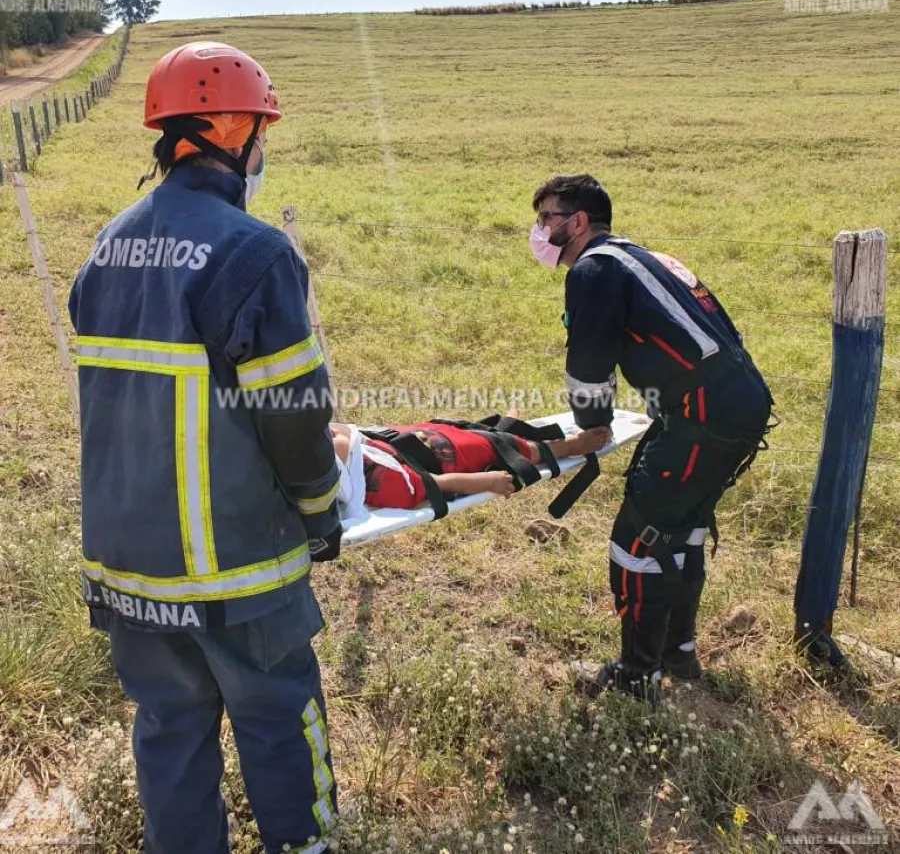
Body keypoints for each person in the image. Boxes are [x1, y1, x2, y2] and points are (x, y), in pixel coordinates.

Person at [68, 42, 341, 854]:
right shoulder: (253, 252)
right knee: (278, 717)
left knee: (170, 725)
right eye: (262, 131)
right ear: (229, 128)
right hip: (238, 567)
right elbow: (295, 413)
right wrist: (321, 510)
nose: (265, 149)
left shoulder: (106, 246)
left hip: (128, 561)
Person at [529, 174, 773, 704]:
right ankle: (678, 654)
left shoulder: (593, 271)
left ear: (578, 222)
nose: (539, 228)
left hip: (700, 416)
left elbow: (589, 363)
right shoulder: (641, 257)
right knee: (680, 531)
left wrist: (591, 425)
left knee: (637, 541)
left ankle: (637, 678)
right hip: (736, 402)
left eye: (548, 217)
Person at [331, 417, 602, 515]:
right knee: (508, 449)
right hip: (453, 456)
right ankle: (568, 446)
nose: (330, 433)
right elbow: (437, 485)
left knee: (482, 433)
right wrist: (489, 482)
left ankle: (504, 426)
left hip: (429, 435)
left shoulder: (354, 444)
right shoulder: (382, 482)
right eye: (330, 440)